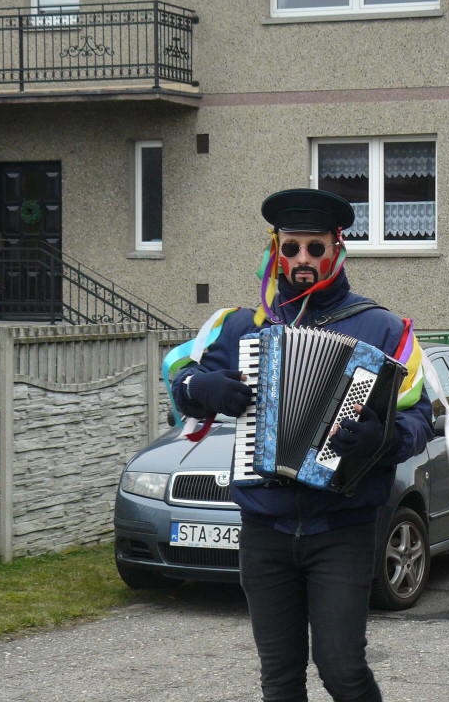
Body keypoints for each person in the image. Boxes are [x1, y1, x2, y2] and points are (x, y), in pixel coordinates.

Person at [169, 188, 433, 702]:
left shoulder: (383, 327)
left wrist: (382, 439)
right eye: (292, 249)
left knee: (342, 670)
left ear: (337, 249)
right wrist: (200, 389)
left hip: (342, 528)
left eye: (315, 248)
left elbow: (419, 414)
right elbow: (179, 374)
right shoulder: (242, 326)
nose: (303, 260)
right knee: (280, 679)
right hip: (263, 529)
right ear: (276, 250)